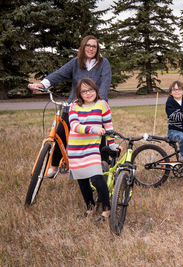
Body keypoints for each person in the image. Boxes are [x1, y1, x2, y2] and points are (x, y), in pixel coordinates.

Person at [28, 35, 112, 178]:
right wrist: (43, 84)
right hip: (75, 106)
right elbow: (59, 74)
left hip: (95, 107)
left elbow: (104, 85)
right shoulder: (75, 63)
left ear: (97, 49)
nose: (91, 48)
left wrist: (98, 104)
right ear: (83, 47)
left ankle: (102, 164)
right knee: (61, 132)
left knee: (100, 134)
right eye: (88, 45)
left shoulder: (103, 64)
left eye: (94, 46)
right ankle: (54, 165)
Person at [68, 78, 120, 221]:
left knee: (97, 178)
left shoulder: (102, 105)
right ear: (79, 93)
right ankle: (90, 207)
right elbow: (74, 126)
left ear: (95, 90)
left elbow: (108, 127)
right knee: (83, 180)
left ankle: (106, 209)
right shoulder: (74, 106)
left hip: (91, 147)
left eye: (90, 89)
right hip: (75, 149)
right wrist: (93, 129)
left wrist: (112, 145)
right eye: (84, 91)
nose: (88, 93)